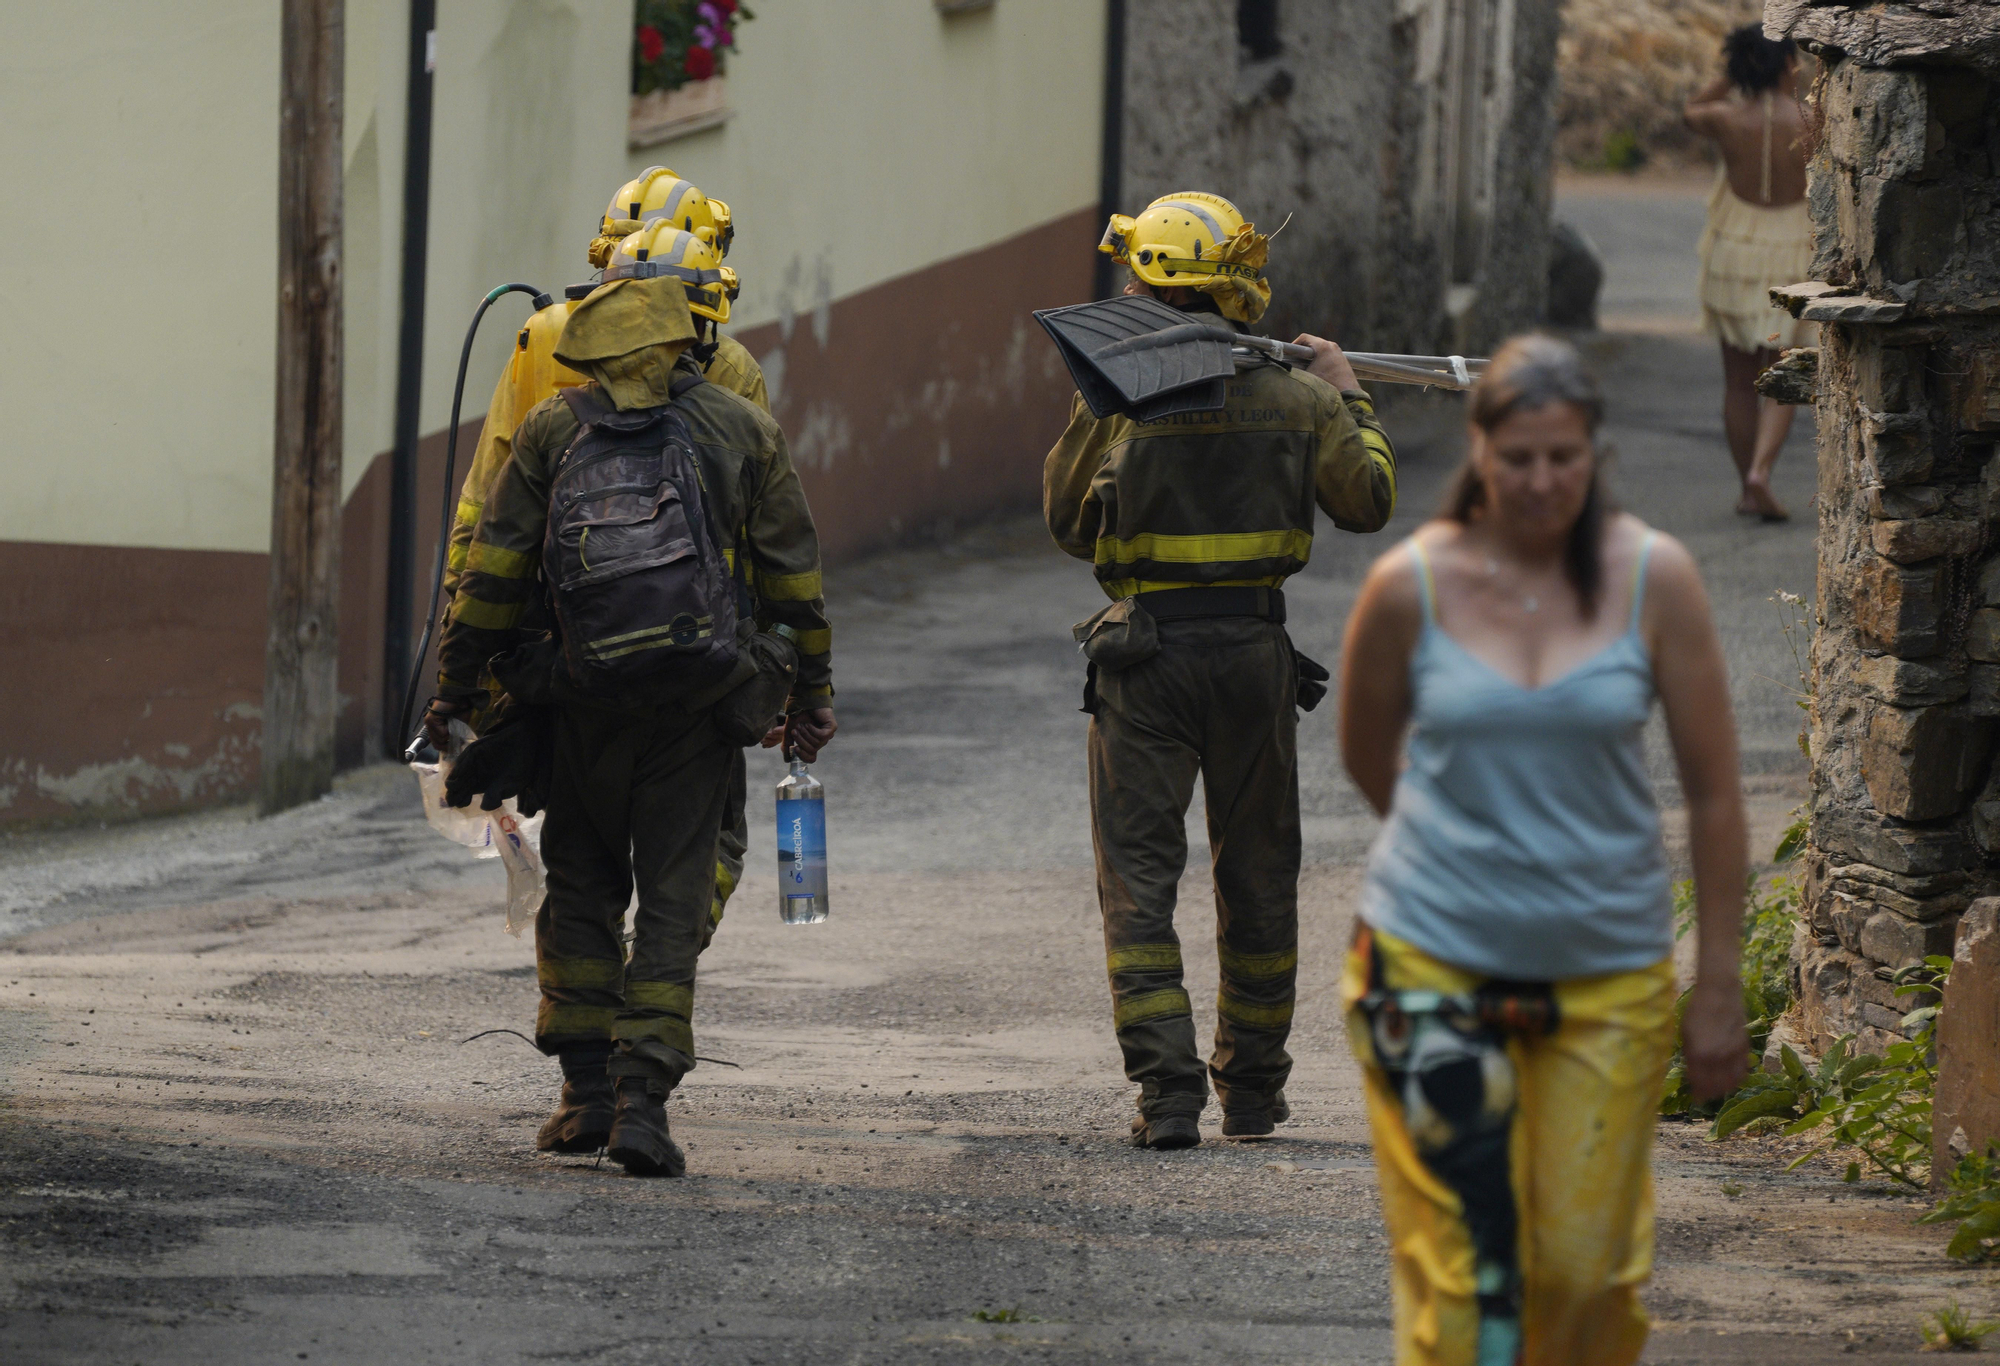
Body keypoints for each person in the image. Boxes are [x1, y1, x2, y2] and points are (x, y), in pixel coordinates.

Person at [1336, 335, 1750, 1365]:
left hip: (1605, 973)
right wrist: (1468, 850)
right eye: (1516, 457)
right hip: (1426, 965)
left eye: (1561, 456)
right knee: (1468, 1286)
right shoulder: (1407, 586)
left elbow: (1711, 792)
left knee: (1580, 1274)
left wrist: (1717, 983)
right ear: (1477, 451)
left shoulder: (1654, 579)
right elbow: (1365, 753)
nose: (1539, 479)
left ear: (1594, 453)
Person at [423, 247, 835, 1177]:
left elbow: (492, 575)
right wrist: (811, 694)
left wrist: (457, 688)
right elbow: (793, 577)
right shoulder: (739, 429)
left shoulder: (547, 432)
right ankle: (643, 1106)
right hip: (695, 713)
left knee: (580, 889)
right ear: (683, 340)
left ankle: (582, 1097)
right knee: (676, 898)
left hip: (578, 708)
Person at [1046, 191, 1398, 1150]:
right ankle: (1251, 1091)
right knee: (1259, 876)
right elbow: (1367, 501)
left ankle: (1166, 1097)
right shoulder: (1301, 394)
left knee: (1139, 884)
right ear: (1238, 288)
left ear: (1151, 285)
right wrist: (1350, 391)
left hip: (1144, 662)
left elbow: (1069, 525)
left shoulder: (1118, 396)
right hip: (1253, 659)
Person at [1686, 26, 1813, 521]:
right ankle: (1762, 469)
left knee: (1738, 381)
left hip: (1734, 252)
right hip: (1791, 249)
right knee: (1783, 371)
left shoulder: (1723, 117)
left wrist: (1733, 74)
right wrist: (1786, 79)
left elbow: (1688, 110)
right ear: (1785, 64)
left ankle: (1746, 486)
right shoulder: (1807, 115)